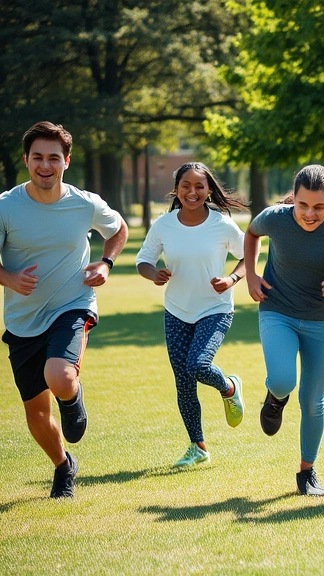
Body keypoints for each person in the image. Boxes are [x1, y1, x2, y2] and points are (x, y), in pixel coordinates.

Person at [0, 121, 128, 498]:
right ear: (26, 160)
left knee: (59, 376)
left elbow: (118, 229)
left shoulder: (84, 203)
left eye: (53, 158)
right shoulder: (6, 208)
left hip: (72, 305)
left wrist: (106, 263)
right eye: (37, 157)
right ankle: (63, 466)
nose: (45, 165)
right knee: (37, 416)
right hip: (22, 321)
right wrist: (8, 278)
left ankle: (72, 398)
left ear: (66, 161)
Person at [245, 165, 324, 496]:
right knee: (283, 381)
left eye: (319, 207)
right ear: (294, 199)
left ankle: (307, 472)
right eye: (303, 205)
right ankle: (275, 398)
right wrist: (250, 274)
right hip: (278, 311)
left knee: (312, 400)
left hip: (322, 320)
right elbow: (251, 233)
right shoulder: (276, 218)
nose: (309, 214)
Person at [136, 162, 247, 467]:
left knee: (197, 364)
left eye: (199, 186)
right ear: (177, 190)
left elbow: (247, 256)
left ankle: (230, 387)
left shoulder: (222, 224)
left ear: (209, 189)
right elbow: (143, 260)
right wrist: (153, 274)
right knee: (183, 382)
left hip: (216, 308)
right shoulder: (164, 225)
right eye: (186, 186)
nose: (193, 192)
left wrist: (232, 279)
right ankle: (198, 447)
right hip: (177, 311)